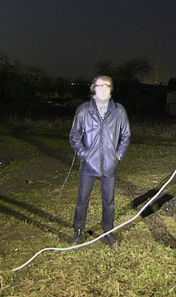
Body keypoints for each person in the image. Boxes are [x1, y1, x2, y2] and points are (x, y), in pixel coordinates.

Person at [69, 75, 130, 248]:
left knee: (108, 201)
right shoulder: (83, 110)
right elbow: (74, 135)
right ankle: (78, 231)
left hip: (109, 164)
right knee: (82, 199)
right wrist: (83, 154)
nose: (103, 88)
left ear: (111, 89)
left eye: (106, 86)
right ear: (93, 88)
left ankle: (108, 232)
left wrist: (118, 156)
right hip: (88, 164)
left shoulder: (119, 111)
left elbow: (126, 135)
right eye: (99, 85)